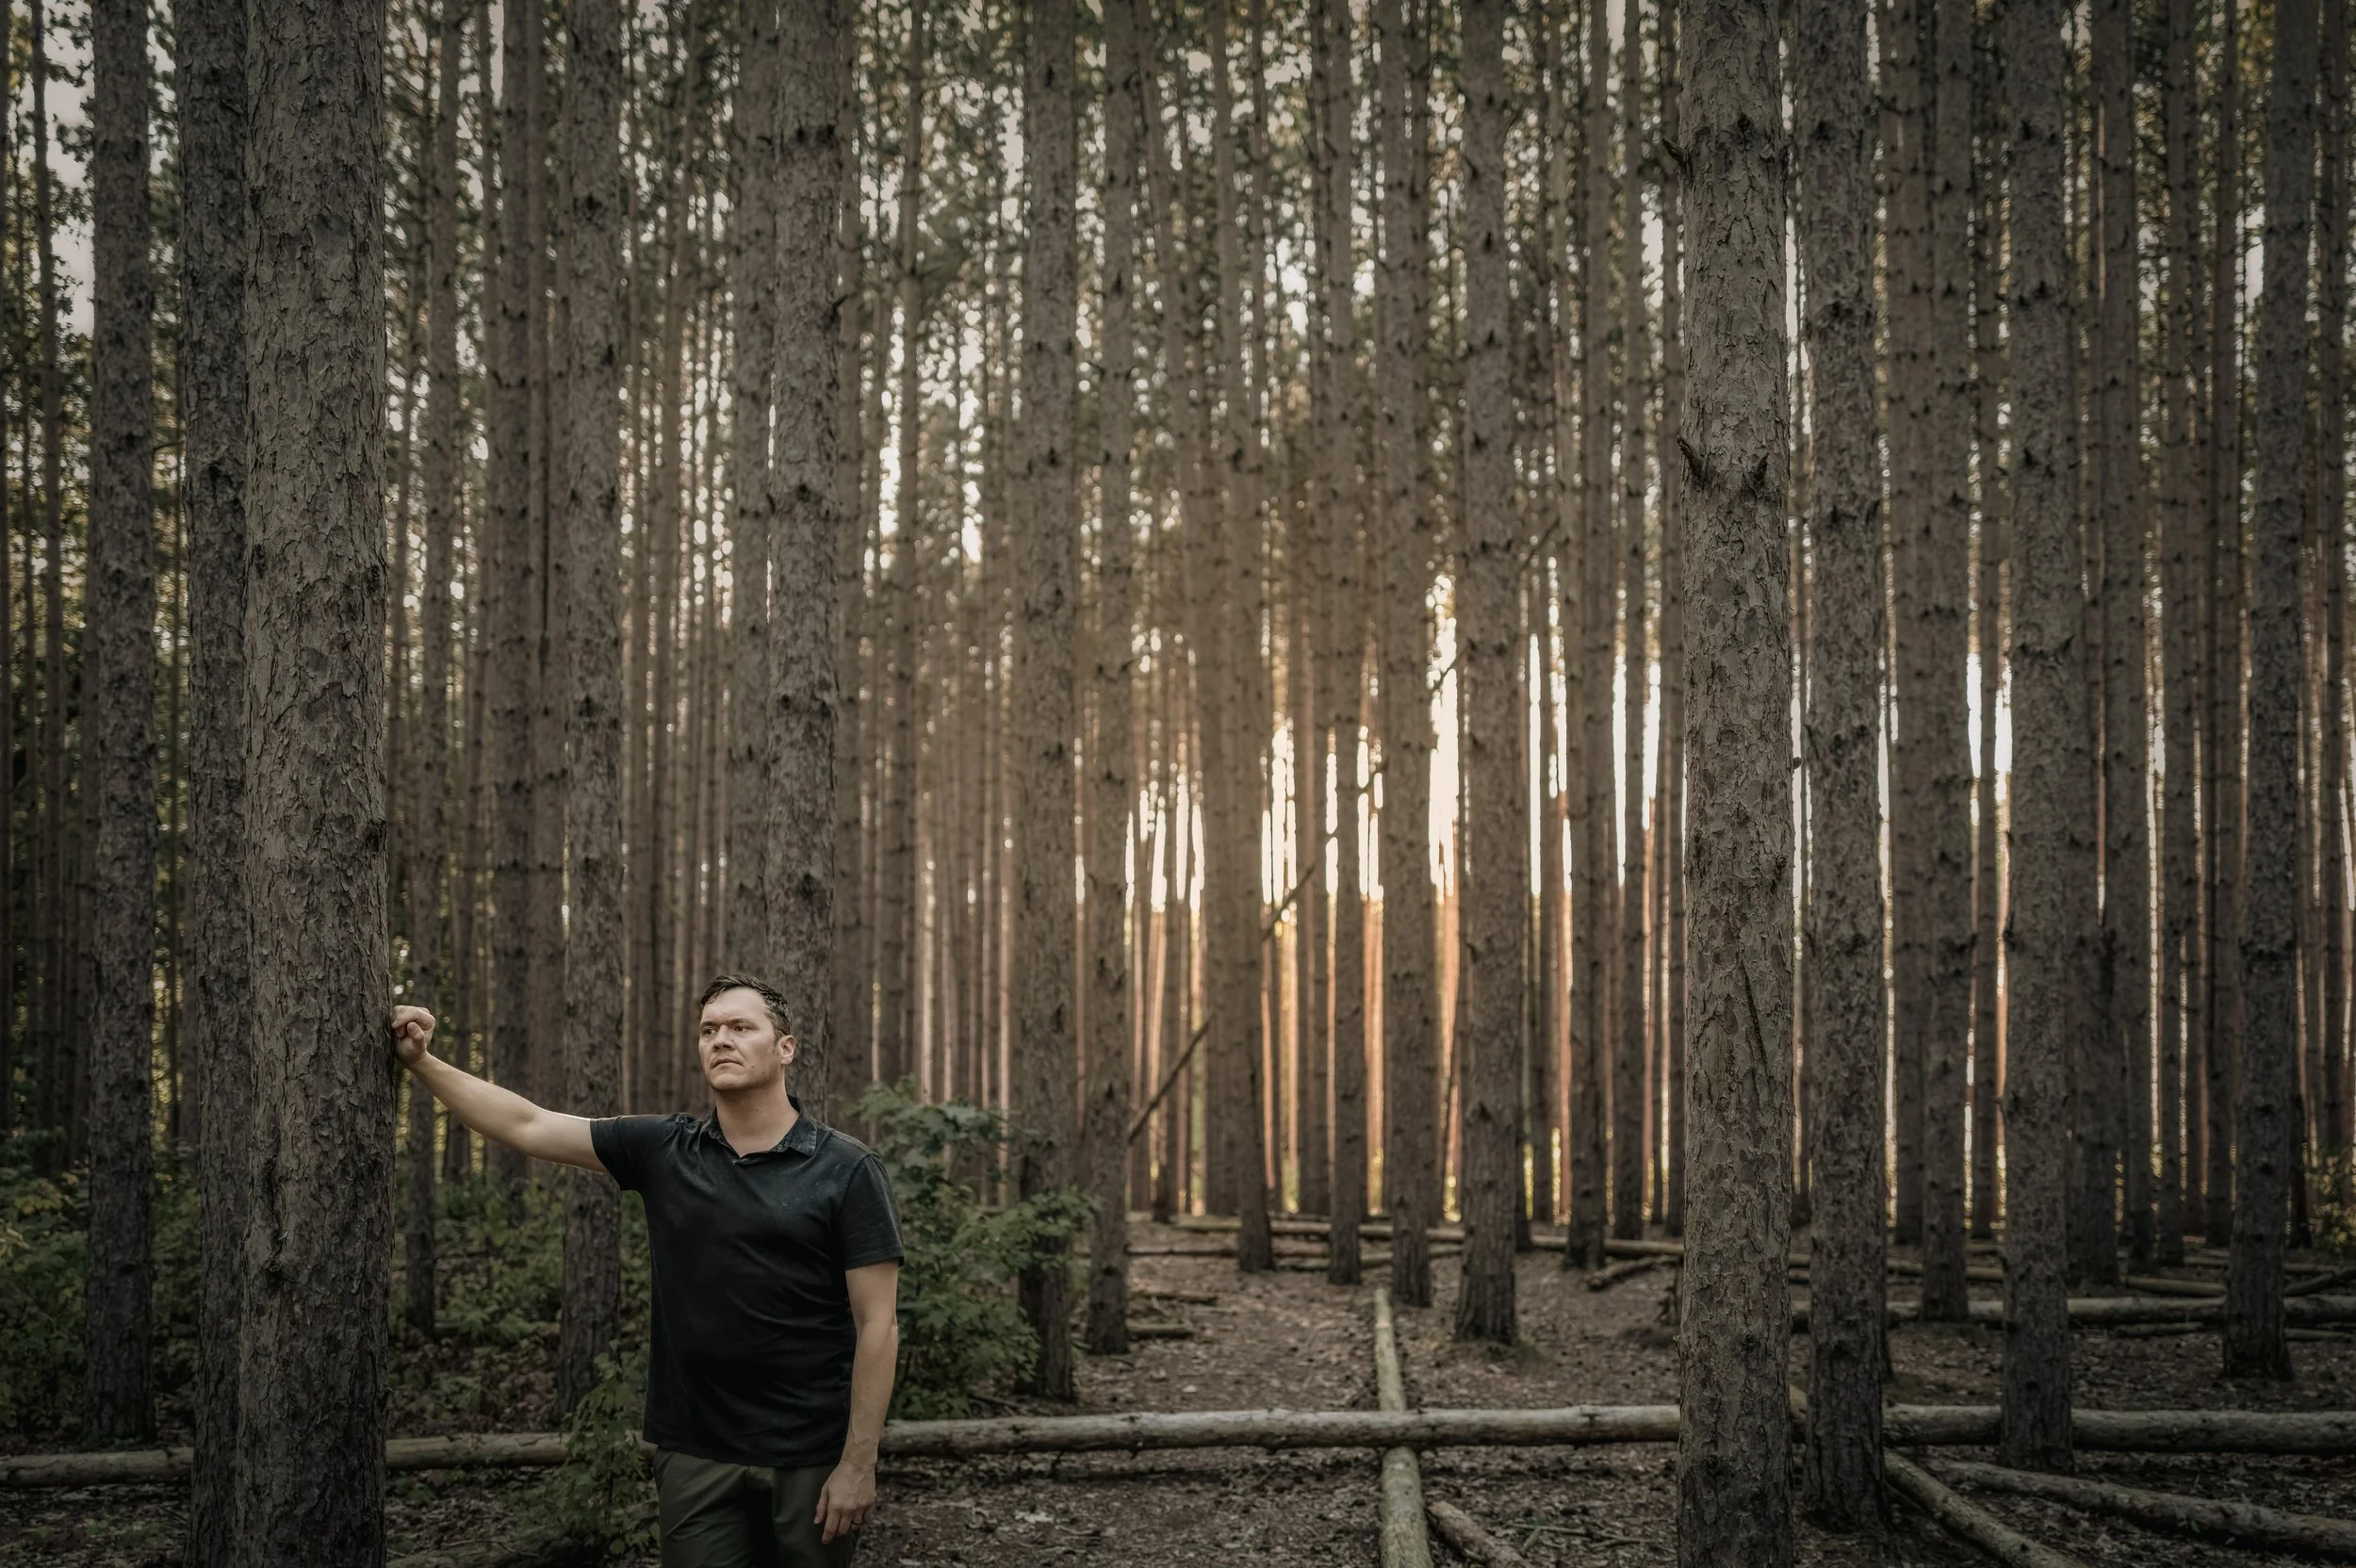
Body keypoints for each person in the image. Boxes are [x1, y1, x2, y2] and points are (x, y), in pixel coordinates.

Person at [391, 974, 902, 1568]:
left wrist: (858, 1464)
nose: (721, 1040)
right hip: (695, 1453)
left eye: (742, 1027)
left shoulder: (847, 1169)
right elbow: (526, 1125)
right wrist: (422, 1063)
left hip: (811, 1455)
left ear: (784, 1048)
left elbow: (878, 1325)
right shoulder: (665, 1150)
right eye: (709, 1030)